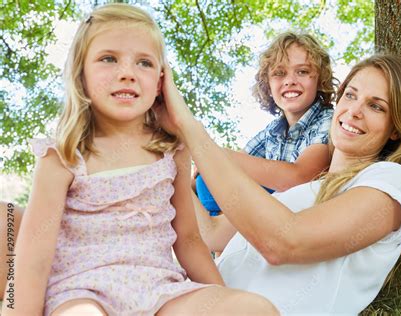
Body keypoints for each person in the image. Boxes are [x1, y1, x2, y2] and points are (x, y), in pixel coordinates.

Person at [0, 4, 279, 316]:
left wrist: (221, 297)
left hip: (160, 292)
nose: (127, 73)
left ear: (161, 81)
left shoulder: (170, 151)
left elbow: (188, 240)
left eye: (144, 63)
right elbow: (32, 259)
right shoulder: (62, 155)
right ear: (81, 73)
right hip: (81, 292)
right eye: (108, 59)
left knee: (254, 308)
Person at [156, 53, 401, 314]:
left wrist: (192, 131)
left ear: (396, 129)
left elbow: (284, 242)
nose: (354, 110)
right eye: (350, 95)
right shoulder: (303, 192)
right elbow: (211, 234)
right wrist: (170, 151)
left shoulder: (391, 181)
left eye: (376, 106)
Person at [193, 32, 335, 250]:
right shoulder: (272, 131)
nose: (290, 80)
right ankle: (224, 244)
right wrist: (200, 172)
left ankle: (224, 240)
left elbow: (298, 177)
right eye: (279, 73)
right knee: (205, 181)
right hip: (260, 219)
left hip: (294, 224)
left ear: (320, 79)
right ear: (268, 84)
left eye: (303, 71)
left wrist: (213, 153)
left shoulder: (328, 120)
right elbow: (232, 164)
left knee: (218, 169)